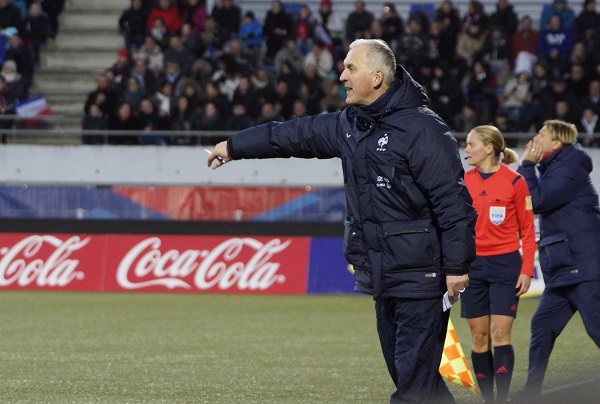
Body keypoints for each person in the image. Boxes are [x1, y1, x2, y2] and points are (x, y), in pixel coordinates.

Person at [207, 38, 476, 402]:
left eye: (351, 68)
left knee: (412, 387)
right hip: (383, 273)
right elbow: (290, 136)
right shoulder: (349, 124)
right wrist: (235, 147)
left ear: (377, 77)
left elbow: (453, 203)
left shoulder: (423, 129)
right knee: (416, 379)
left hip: (423, 276)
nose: (343, 75)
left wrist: (457, 266)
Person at [514, 119, 600, 399]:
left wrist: (526, 166)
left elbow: (535, 202)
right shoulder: (555, 168)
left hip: (583, 266)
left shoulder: (569, 168)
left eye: (542, 133)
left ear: (557, 142)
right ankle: (531, 392)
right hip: (565, 268)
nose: (536, 137)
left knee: (596, 328)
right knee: (542, 327)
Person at [462, 125, 536, 403]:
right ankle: (488, 400)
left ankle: (502, 399)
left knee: (499, 333)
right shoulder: (463, 180)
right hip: (473, 267)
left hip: (506, 266)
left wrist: (527, 269)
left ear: (489, 148)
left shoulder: (516, 182)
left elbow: (528, 230)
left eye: (471, 144)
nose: (466, 149)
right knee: (479, 337)